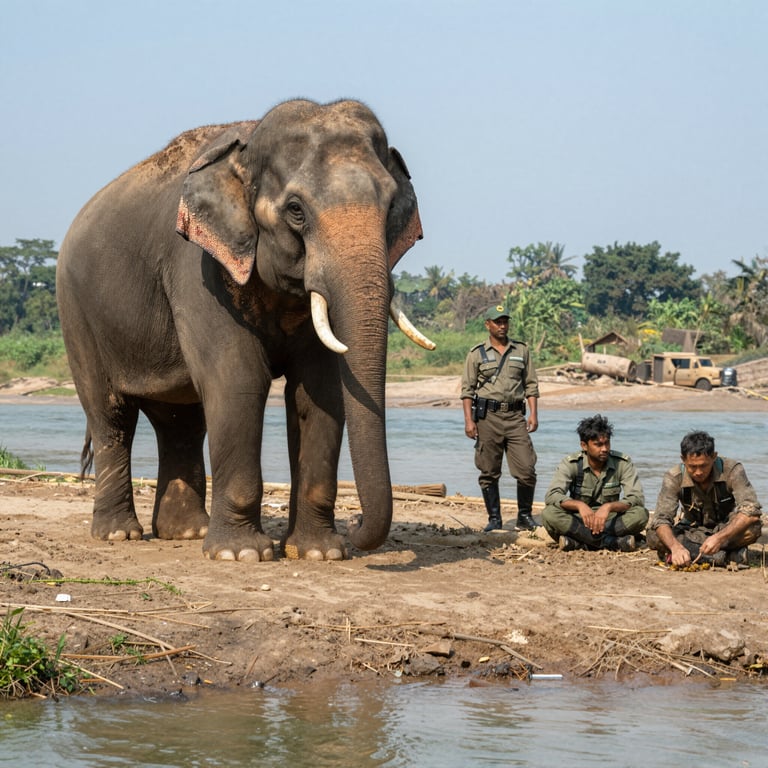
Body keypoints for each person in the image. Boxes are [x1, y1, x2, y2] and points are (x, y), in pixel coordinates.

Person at [461, 303, 539, 532]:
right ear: (488, 324)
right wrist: (469, 421)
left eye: (505, 321)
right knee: (489, 470)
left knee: (526, 469)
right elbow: (467, 391)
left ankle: (524, 516)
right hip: (488, 418)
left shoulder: (521, 350)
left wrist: (534, 413)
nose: (502, 326)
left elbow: (531, 385)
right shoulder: (476, 354)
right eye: (498, 322)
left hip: (515, 417)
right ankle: (494, 519)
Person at [647, 431, 763, 568]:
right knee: (653, 535)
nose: (698, 472)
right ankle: (725, 557)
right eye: (692, 467)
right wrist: (675, 547)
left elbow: (751, 510)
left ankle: (695, 553)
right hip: (692, 531)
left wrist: (720, 538)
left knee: (753, 528)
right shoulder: (674, 477)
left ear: (714, 457)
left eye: (703, 466)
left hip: (726, 529)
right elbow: (661, 519)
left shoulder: (732, 470)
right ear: (683, 459)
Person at [542, 414, 648, 551]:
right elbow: (552, 495)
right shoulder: (571, 464)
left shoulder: (622, 463)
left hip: (609, 520)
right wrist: (579, 505)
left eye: (607, 443)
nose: (604, 449)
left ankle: (580, 543)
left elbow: (636, 498)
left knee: (641, 514)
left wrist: (608, 507)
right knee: (549, 514)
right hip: (579, 520)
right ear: (584, 445)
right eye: (598, 444)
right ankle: (611, 542)